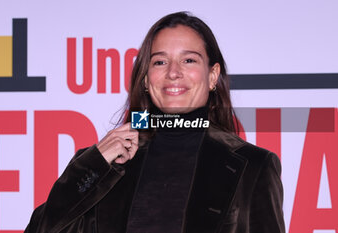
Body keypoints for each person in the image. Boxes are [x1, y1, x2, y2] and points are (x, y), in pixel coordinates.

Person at [25, 12, 285, 233]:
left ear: (212, 76)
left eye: (189, 60)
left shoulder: (254, 166)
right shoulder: (105, 165)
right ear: (147, 79)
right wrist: (93, 164)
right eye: (160, 61)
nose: (173, 72)